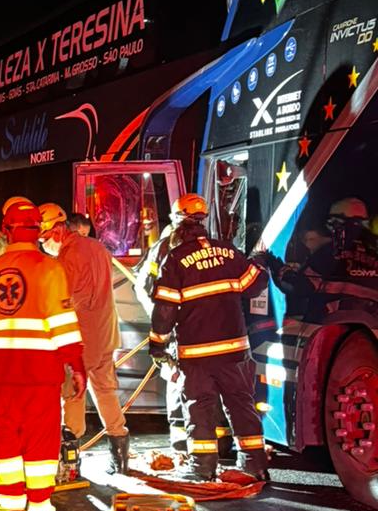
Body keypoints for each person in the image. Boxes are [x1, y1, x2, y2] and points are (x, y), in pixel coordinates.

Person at [0, 199, 87, 511]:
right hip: (40, 372)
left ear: (7, 231)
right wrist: (76, 365)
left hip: (3, 373)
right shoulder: (48, 268)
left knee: (8, 443)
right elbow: (64, 326)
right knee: (40, 446)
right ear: (37, 230)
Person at [151, 198, 268, 481]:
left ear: (178, 222)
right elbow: (256, 286)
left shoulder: (176, 260)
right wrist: (258, 263)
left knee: (200, 407)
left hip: (197, 353)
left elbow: (165, 309)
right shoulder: (228, 251)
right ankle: (255, 464)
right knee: (241, 404)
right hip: (234, 350)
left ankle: (202, 468)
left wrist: (158, 344)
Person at [39, 202, 129, 474]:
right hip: (106, 335)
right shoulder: (98, 247)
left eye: (43, 238)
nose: (43, 244)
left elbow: (70, 301)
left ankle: (70, 455)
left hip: (81, 338)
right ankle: (120, 455)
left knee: (73, 394)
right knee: (105, 392)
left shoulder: (68, 257)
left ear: (56, 231)